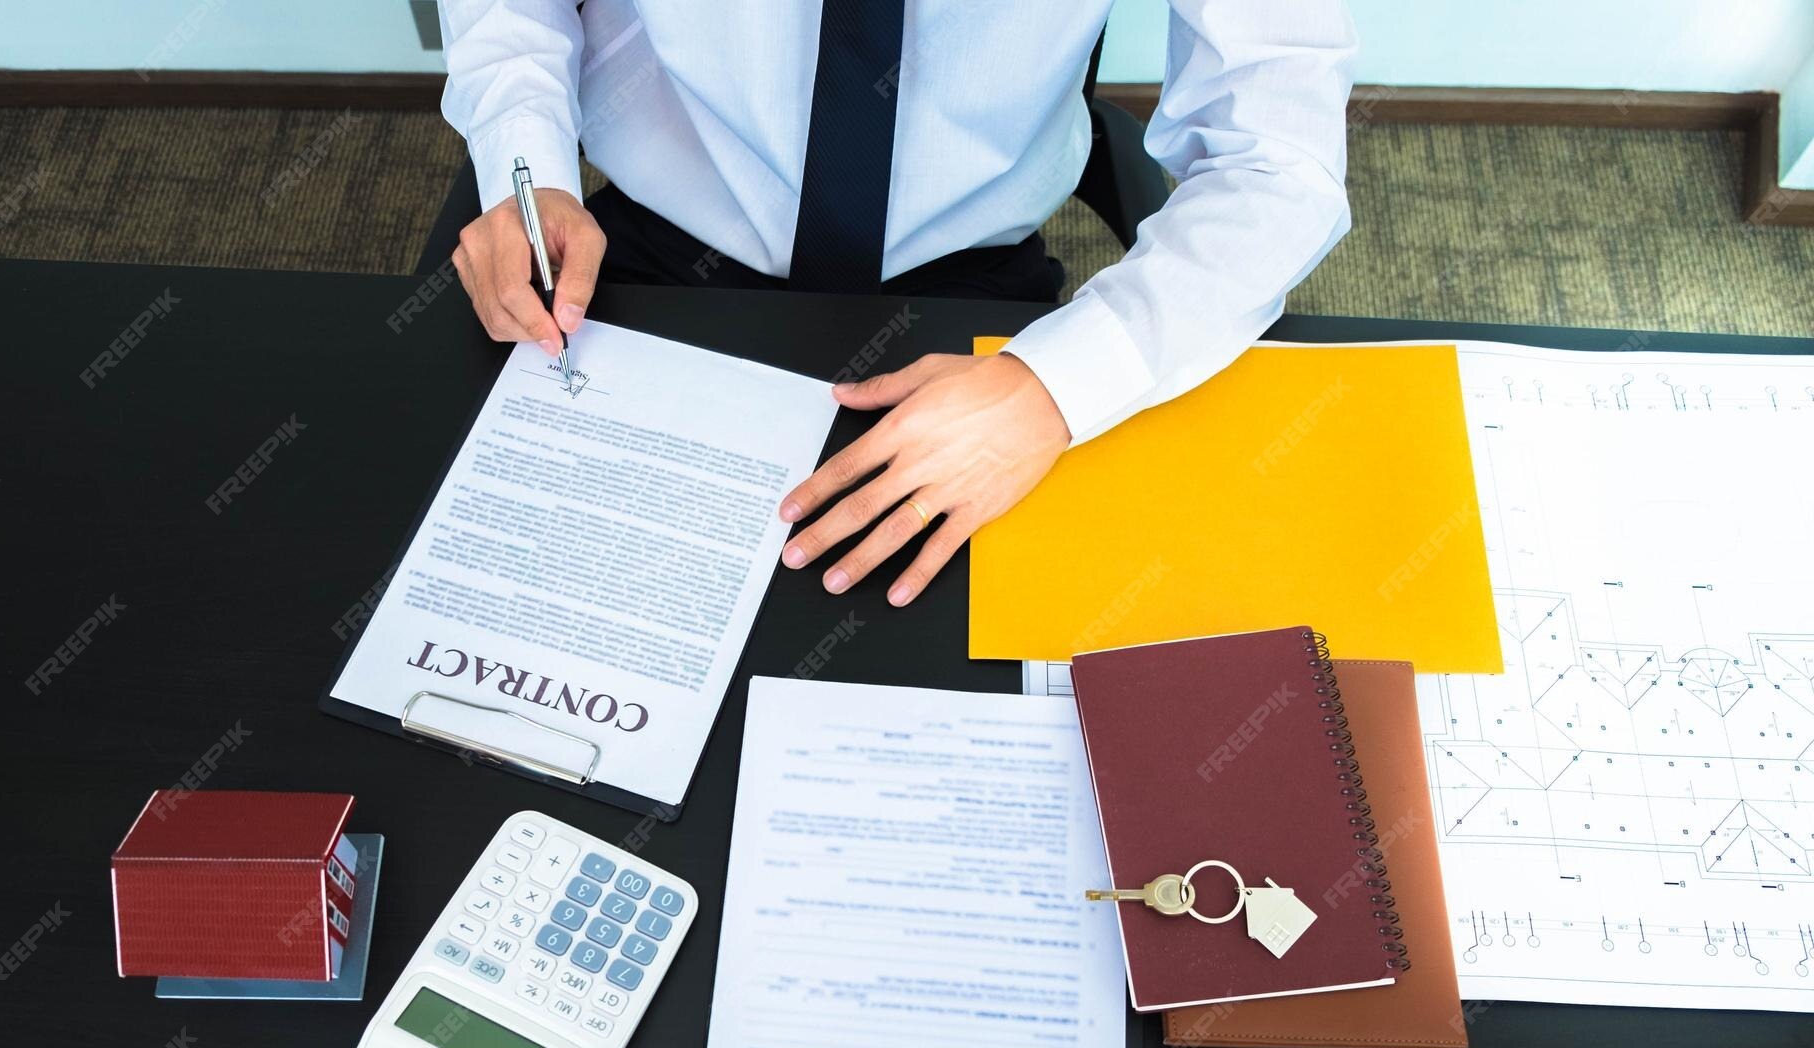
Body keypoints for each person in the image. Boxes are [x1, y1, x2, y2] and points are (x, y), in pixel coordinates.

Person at [440, 1, 1355, 606]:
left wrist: (1053, 386)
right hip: (655, 255)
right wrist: (525, 161)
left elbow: (1276, 157)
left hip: (975, 305)